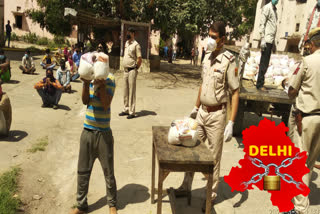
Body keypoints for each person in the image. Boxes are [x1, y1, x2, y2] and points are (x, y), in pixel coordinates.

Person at [176, 21, 240, 212]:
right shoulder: (206, 58)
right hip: (202, 113)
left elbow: (235, 92)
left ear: (222, 39)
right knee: (192, 148)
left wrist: (231, 121)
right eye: (209, 35)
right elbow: (202, 85)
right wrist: (195, 108)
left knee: (213, 158)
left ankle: (209, 197)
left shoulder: (229, 60)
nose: (210, 40)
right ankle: (185, 186)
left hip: (217, 116)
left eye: (214, 37)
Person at [70, 73, 117, 214]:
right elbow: (85, 101)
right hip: (87, 131)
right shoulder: (89, 76)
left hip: (104, 133)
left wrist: (101, 85)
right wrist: (85, 83)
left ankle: (112, 204)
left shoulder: (111, 79)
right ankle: (81, 205)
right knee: (83, 171)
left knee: (108, 171)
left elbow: (105, 104)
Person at [285, 27, 320, 214]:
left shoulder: (307, 61)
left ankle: (299, 209)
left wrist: (289, 87)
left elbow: (292, 90)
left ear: (312, 44)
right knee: (309, 163)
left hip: (306, 118)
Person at [118, 27, 142, 119]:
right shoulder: (126, 43)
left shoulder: (136, 45)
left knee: (132, 91)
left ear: (133, 33)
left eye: (129, 32)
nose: (127, 34)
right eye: (127, 32)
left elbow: (139, 59)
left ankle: (132, 112)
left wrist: (136, 68)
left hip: (132, 70)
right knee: (125, 91)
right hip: (125, 70)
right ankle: (126, 109)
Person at [256, 0, 278, 92]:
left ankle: (261, 82)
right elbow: (262, 24)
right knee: (264, 63)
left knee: (266, 62)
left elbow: (273, 26)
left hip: (270, 40)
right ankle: (259, 84)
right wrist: (262, 38)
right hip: (266, 40)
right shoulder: (267, 8)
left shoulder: (274, 10)